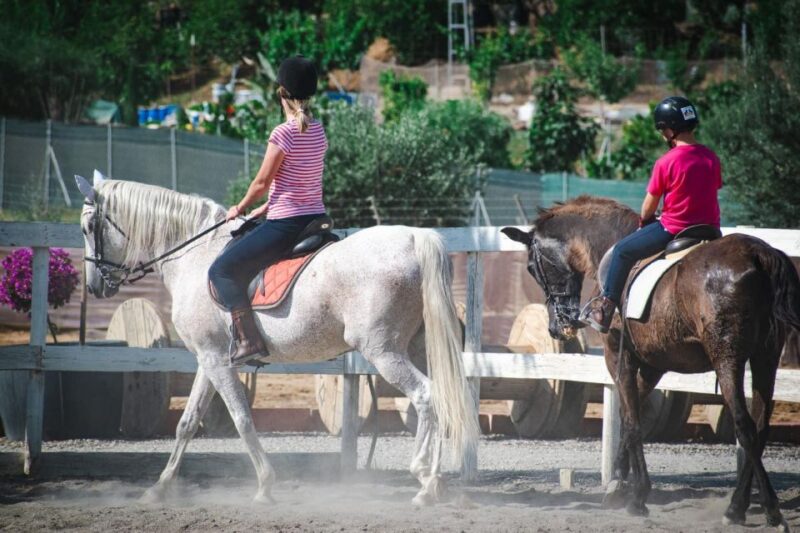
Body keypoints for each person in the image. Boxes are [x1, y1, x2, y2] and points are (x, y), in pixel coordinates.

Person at [208, 55, 328, 364]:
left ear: (281, 93)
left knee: (221, 270)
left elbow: (262, 181)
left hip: (285, 224)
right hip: (314, 218)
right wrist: (265, 208)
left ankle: (248, 342)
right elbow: (300, 181)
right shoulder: (318, 130)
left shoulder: (283, 133)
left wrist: (241, 206)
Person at [583, 96, 722, 334]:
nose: (662, 134)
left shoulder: (666, 161)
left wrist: (646, 220)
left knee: (622, 251)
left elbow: (649, 205)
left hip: (674, 228)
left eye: (662, 130)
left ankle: (605, 309)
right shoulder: (711, 157)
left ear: (670, 129)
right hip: (711, 230)